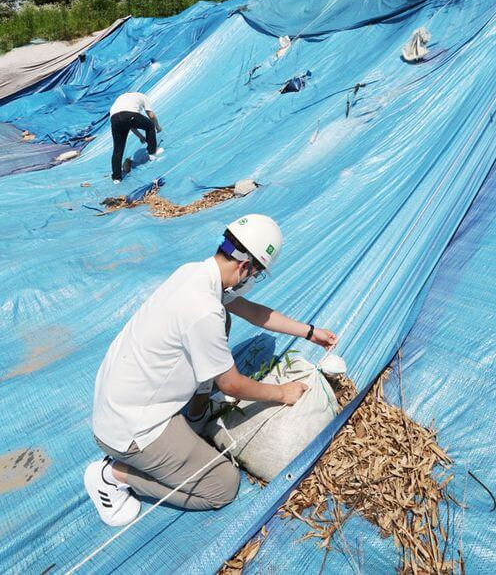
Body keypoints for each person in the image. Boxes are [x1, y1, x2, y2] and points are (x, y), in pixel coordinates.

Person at [83, 214, 338, 526]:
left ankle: (194, 412)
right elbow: (231, 384)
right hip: (132, 429)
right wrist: (282, 393)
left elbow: (254, 312)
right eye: (257, 274)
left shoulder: (196, 274)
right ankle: (112, 475)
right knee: (222, 486)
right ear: (246, 268)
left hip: (123, 399)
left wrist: (311, 332)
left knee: (226, 319)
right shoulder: (203, 309)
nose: (253, 281)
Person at [109, 91, 163, 183]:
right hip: (129, 115)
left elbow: (128, 123)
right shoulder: (142, 96)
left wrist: (140, 136)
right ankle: (152, 153)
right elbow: (151, 115)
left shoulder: (121, 97)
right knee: (150, 126)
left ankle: (116, 178)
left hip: (114, 120)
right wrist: (157, 126)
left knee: (118, 149)